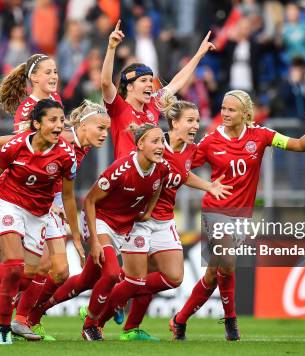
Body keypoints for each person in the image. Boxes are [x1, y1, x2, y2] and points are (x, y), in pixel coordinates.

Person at [0, 100, 111, 339]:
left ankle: (24, 319)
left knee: (55, 272)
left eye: (107, 130)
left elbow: (66, 192)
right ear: (82, 125)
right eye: (100, 128)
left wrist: (73, 230)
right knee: (19, 271)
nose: (104, 134)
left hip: (46, 206)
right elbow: (12, 142)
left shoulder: (79, 147)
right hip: (17, 201)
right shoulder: (63, 139)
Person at [169, 90, 305, 341]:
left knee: (214, 274)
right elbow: (181, 167)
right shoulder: (210, 141)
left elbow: (300, 145)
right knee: (227, 263)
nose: (225, 114)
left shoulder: (260, 136)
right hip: (215, 210)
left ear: (245, 114)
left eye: (231, 110)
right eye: (223, 109)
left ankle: (179, 320)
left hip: (242, 216)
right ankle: (231, 323)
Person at [91, 93, 232, 341]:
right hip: (140, 220)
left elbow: (184, 174)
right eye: (190, 120)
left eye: (198, 121)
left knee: (174, 278)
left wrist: (208, 186)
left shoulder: (191, 151)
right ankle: (98, 321)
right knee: (136, 279)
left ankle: (119, 294)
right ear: (174, 122)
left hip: (164, 220)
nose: (195, 126)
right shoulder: (154, 145)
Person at [79, 123, 170, 341]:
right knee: (111, 273)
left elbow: (158, 185)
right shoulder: (121, 168)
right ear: (140, 144)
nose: (161, 146)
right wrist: (94, 242)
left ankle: (35, 312)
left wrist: (147, 212)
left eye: (162, 141)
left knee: (84, 281)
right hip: (100, 221)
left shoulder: (161, 167)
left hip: (122, 227)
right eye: (155, 141)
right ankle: (90, 325)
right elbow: (90, 200)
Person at [101, 20, 215, 159]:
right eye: (143, 80)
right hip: (127, 179)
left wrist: (199, 55)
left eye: (150, 80)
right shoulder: (119, 107)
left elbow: (176, 82)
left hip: (150, 177)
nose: (150, 84)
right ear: (129, 87)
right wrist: (111, 47)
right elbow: (106, 83)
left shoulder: (152, 104)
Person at [0, 53, 62, 133]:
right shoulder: (25, 112)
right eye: (48, 73)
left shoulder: (55, 97)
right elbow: (22, 141)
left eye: (55, 72)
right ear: (34, 77)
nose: (54, 76)